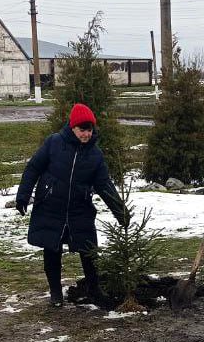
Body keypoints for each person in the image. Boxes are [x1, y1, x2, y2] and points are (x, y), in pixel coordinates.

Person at [15, 103, 130, 307]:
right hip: (51, 206)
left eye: (89, 129)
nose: (86, 134)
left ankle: (95, 290)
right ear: (72, 127)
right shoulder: (54, 143)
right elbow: (33, 168)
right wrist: (23, 195)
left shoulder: (95, 155)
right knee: (52, 249)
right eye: (82, 129)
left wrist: (120, 211)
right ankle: (56, 292)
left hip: (80, 209)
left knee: (89, 250)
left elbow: (105, 185)